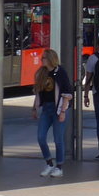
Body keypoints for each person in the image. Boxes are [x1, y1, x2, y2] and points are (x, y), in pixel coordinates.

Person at [32, 48, 74, 177]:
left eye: (43, 58)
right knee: (40, 137)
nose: (41, 60)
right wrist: (34, 108)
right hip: (46, 109)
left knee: (58, 139)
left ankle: (59, 167)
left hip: (58, 109)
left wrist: (62, 111)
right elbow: (38, 92)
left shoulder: (60, 72)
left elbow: (67, 93)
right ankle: (49, 163)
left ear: (50, 59)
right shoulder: (41, 73)